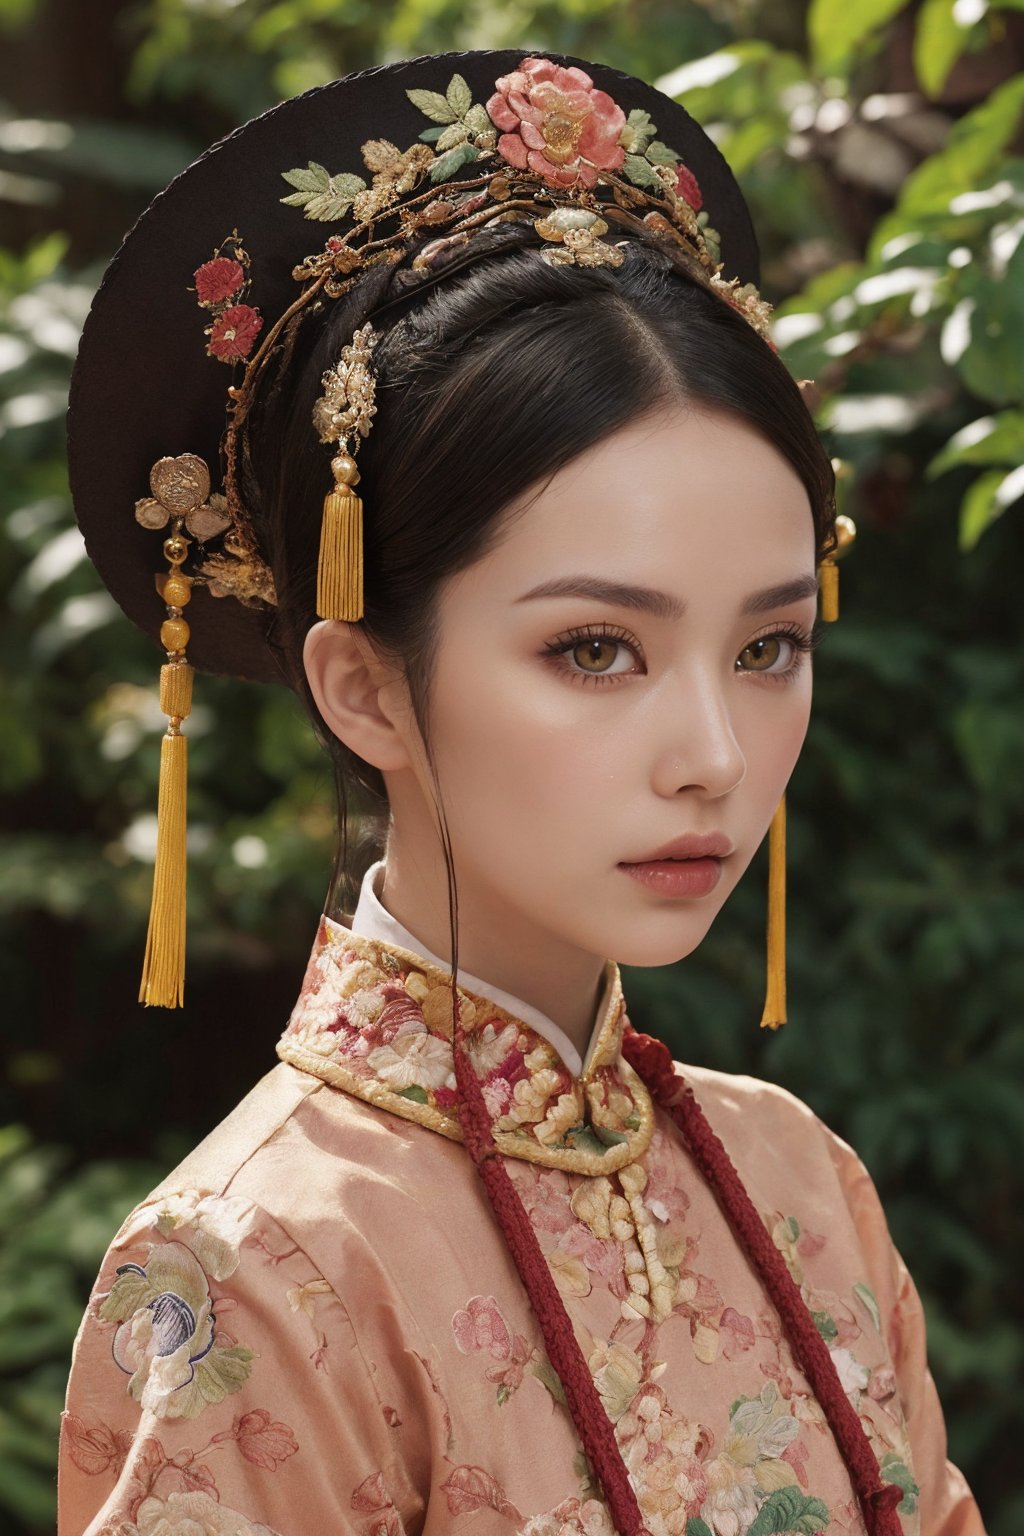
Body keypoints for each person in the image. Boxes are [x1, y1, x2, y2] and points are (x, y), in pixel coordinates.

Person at [58, 49, 984, 1536]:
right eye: (596, 647)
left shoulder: (803, 1189)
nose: (716, 753)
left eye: (768, 646)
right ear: (364, 687)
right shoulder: (258, 1266)